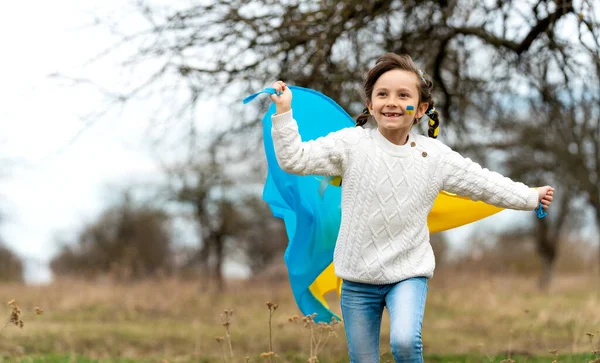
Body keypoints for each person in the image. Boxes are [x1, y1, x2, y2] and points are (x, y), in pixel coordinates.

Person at [268, 53, 554, 363]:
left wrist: (530, 196)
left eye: (403, 95)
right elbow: (294, 159)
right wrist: (284, 113)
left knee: (404, 342)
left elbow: (482, 183)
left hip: (408, 273)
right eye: (383, 94)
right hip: (357, 278)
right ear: (370, 103)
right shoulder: (350, 145)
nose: (391, 101)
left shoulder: (434, 157)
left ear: (420, 109)